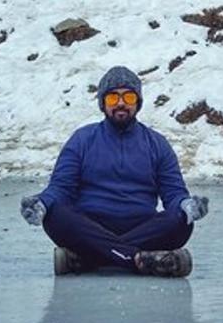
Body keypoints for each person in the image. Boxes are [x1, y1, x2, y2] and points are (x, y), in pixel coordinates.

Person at [20, 65, 210, 277]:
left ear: (137, 103)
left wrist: (188, 205)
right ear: (103, 103)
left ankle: (87, 259)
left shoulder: (157, 144)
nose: (121, 103)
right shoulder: (82, 139)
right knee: (55, 214)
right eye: (112, 98)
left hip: (143, 228)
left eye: (128, 97)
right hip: (90, 227)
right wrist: (42, 204)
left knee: (181, 220)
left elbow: (174, 193)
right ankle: (139, 260)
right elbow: (60, 188)